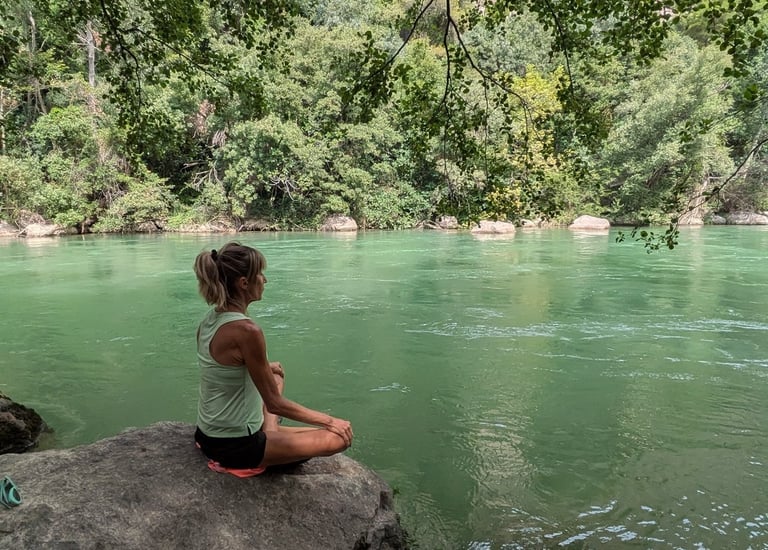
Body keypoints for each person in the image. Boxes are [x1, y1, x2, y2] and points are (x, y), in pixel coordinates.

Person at [192, 242, 353, 472]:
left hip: (207, 434)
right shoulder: (247, 331)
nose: (264, 280)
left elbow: (221, 369)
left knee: (275, 375)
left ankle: (270, 434)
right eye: (260, 274)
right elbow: (274, 404)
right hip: (236, 446)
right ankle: (264, 447)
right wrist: (330, 421)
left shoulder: (209, 320)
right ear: (244, 283)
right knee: (337, 438)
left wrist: (265, 366)